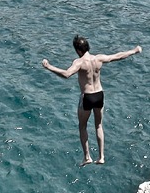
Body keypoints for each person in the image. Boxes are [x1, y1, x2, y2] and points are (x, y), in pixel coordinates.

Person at [41, 35, 141, 166]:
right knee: (99, 125)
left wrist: (49, 67)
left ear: (78, 50)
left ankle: (87, 157)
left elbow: (66, 74)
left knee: (82, 126)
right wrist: (134, 50)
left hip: (87, 97)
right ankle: (101, 157)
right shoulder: (98, 58)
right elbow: (117, 56)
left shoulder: (79, 62)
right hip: (99, 95)